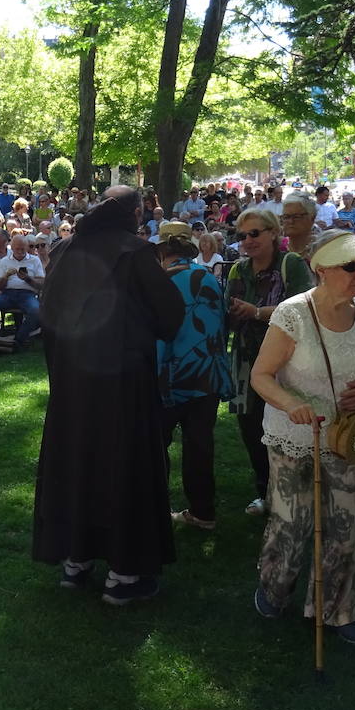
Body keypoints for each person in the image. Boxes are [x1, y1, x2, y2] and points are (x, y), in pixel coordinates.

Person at [32, 186, 183, 605]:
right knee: (123, 467)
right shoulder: (135, 252)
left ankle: (76, 561)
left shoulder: (63, 250)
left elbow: (48, 312)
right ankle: (124, 574)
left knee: (79, 464)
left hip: (71, 386)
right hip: (122, 388)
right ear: (135, 213)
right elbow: (169, 315)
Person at [250, 230, 355, 646]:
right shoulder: (292, 314)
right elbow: (261, 375)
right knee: (292, 523)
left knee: (344, 525)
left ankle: (338, 610)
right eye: (350, 266)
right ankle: (274, 588)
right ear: (321, 269)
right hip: (294, 434)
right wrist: (289, 402)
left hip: (348, 437)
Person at [224, 208, 312, 515]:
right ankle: (265, 491)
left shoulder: (291, 264)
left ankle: (295, 490)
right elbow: (232, 317)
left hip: (286, 364)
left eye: (255, 233)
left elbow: (304, 311)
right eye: (242, 236)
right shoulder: (237, 270)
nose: (248, 240)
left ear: (273, 232)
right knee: (251, 430)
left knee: (289, 426)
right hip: (246, 361)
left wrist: (257, 312)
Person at [155, 222, 233, 531]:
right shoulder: (209, 278)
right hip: (207, 376)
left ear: (162, 252)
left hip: (170, 376)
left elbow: (159, 336)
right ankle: (203, 512)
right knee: (200, 444)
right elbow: (221, 324)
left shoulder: (161, 283)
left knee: (156, 446)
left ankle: (155, 510)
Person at [0, 230, 44, 349]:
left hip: (27, 294)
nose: (20, 252)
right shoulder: (5, 261)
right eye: (17, 249)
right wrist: (6, 276)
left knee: (36, 310)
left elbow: (41, 284)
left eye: (22, 249)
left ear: (27, 248)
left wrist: (28, 279)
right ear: (12, 248)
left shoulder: (34, 260)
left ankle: (19, 340)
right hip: (8, 294)